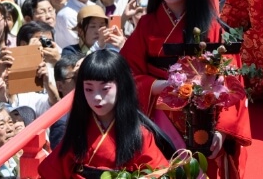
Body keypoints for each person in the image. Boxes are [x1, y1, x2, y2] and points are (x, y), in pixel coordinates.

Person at [122, 0, 250, 178]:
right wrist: (156, 86)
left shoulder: (212, 27)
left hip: (204, 118)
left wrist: (223, 129)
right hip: (159, 116)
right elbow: (124, 74)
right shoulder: (146, 26)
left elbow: (232, 80)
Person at [38, 49, 169, 177]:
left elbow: (159, 171)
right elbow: (52, 171)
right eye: (89, 89)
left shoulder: (140, 135)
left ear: (122, 86)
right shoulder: (77, 131)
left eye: (105, 88)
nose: (97, 97)